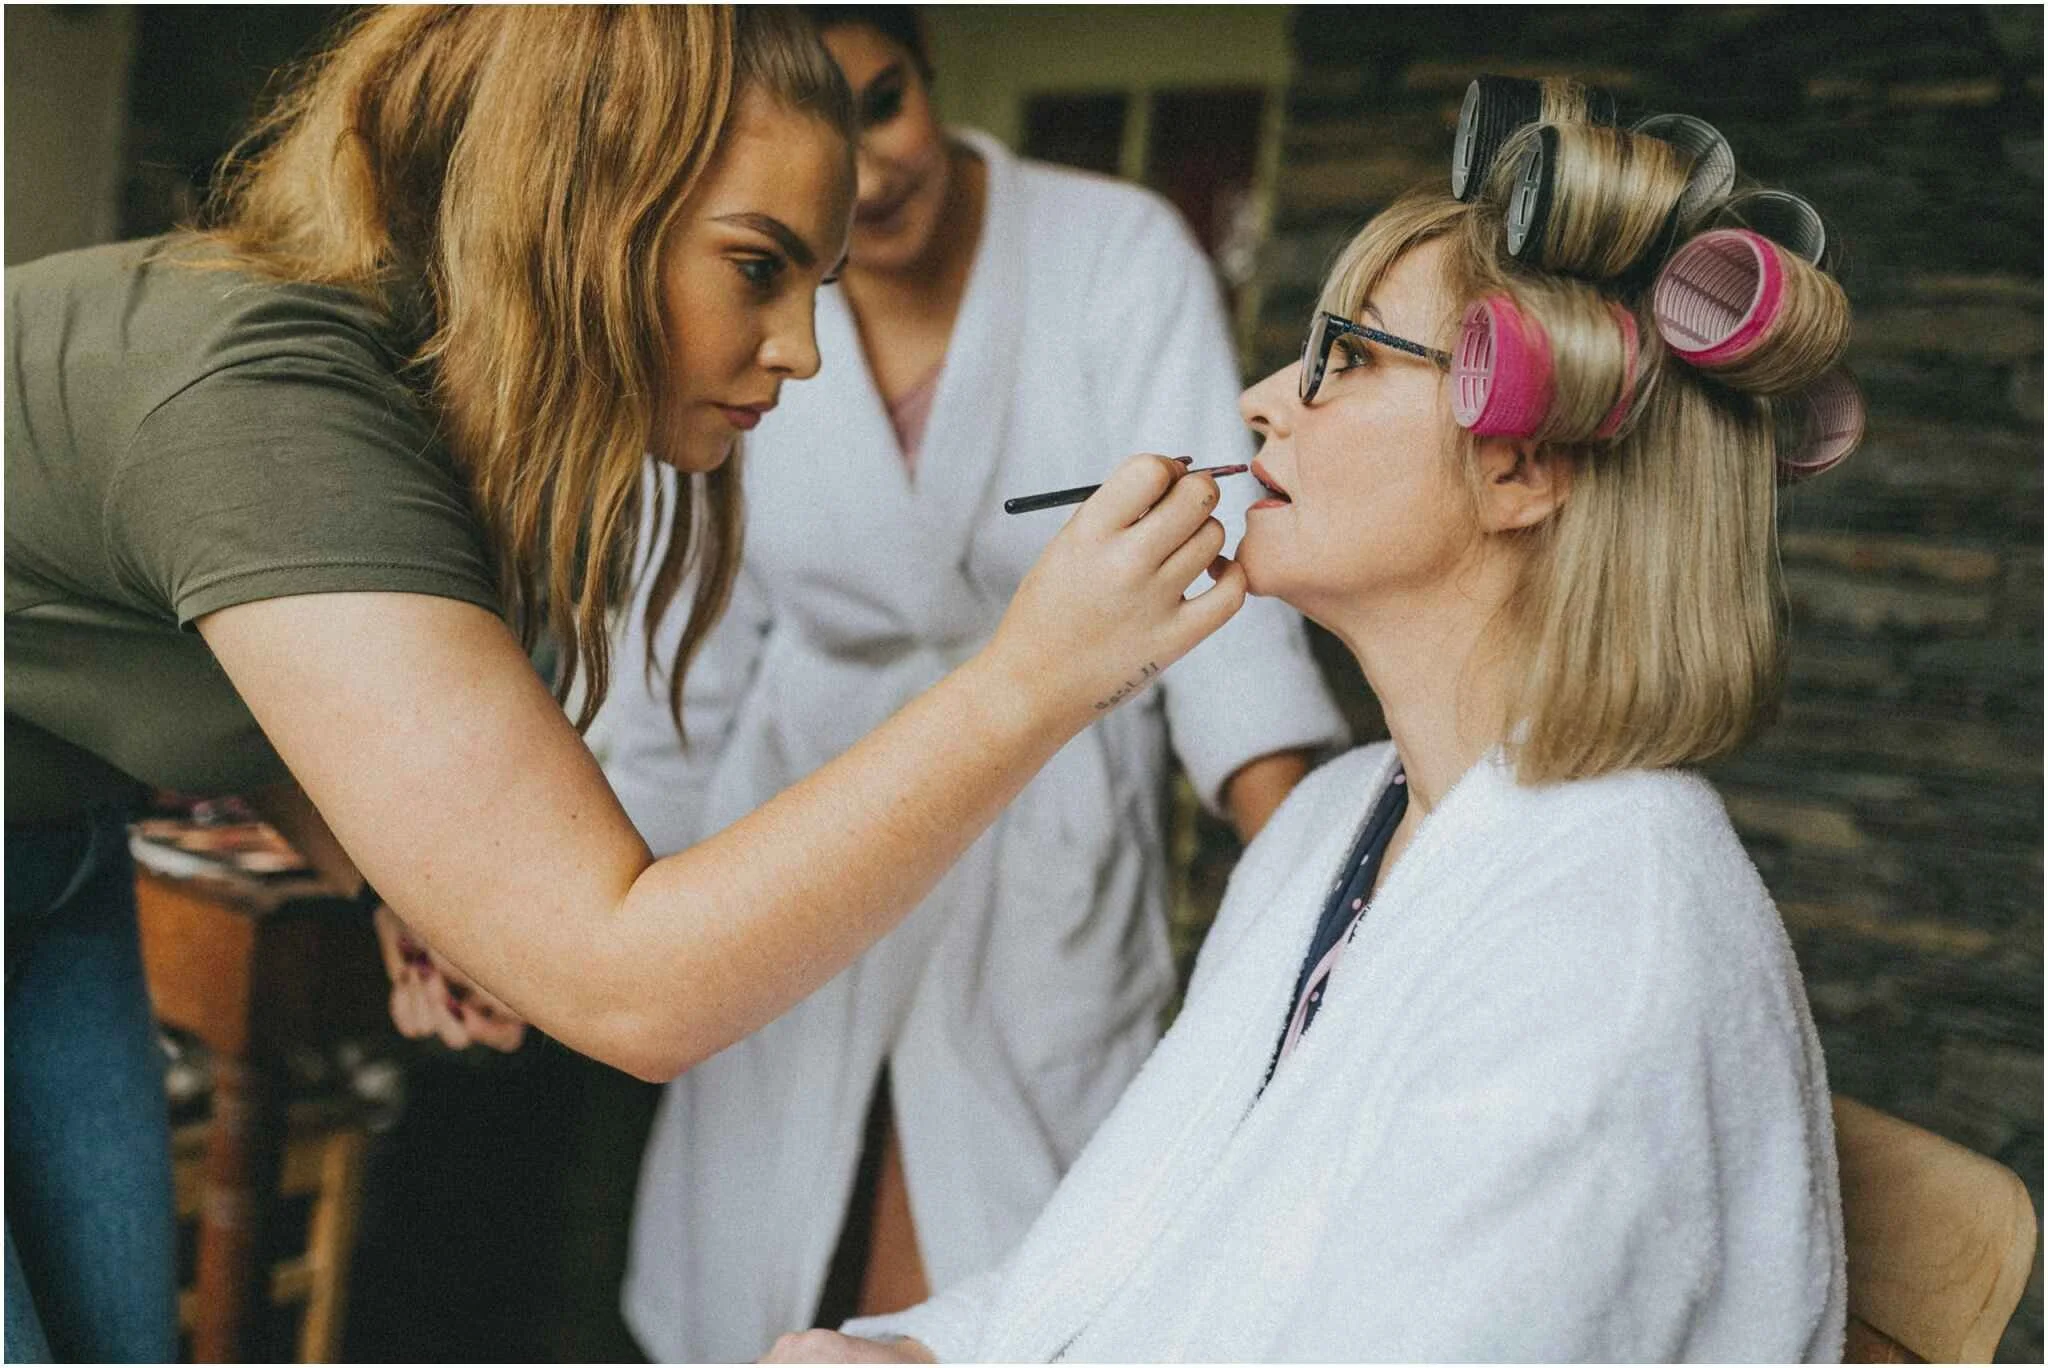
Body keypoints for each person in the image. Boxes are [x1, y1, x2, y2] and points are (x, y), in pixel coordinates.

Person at [3, 8, 1245, 1361]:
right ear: (581, 204)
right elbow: (633, 988)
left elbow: (216, 665)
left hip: (55, 854)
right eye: (758, 267)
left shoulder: (404, 386)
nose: (803, 350)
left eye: (819, 285)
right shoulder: (272, 412)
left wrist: (399, 878)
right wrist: (1038, 676)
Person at [767, 81, 1851, 1363]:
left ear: (1518, 467)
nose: (1260, 399)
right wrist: (922, 1351)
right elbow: (1135, 1241)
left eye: (1348, 357)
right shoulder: (1335, 822)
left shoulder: (1606, 948)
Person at [597, 9, 1349, 1360]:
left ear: (929, 70)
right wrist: (582, 920)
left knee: (1003, 1263)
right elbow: (675, 662)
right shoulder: (730, 294)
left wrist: (1315, 904)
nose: (869, 167)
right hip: (807, 822)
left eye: (881, 101)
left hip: (1042, 836)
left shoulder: (1112, 249)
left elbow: (1220, 580)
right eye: (821, 126)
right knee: (764, 1231)